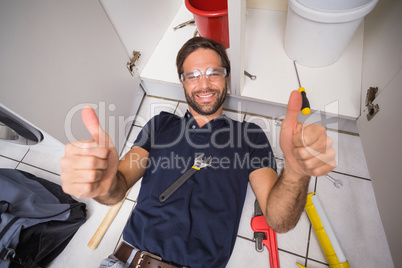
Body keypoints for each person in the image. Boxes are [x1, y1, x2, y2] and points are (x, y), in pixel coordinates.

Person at [60, 37, 336, 268]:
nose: (204, 84)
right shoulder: (160, 124)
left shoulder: (250, 136)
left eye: (214, 73)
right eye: (192, 75)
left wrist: (296, 172)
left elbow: (280, 221)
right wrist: (105, 184)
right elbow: (117, 188)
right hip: (127, 261)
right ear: (182, 82)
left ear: (226, 77)